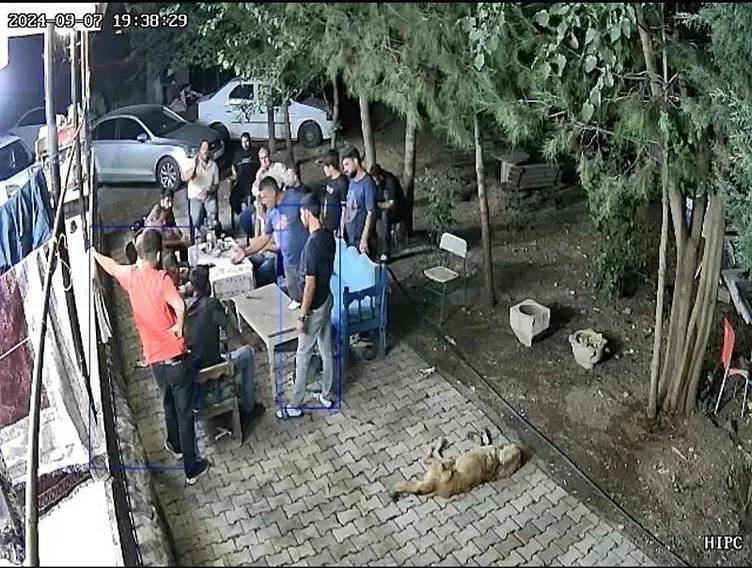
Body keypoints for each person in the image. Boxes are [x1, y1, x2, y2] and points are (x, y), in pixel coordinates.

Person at [92, 229, 210, 484]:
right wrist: (179, 325)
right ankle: (191, 467)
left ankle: (173, 444)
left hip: (155, 359)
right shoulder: (162, 280)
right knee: (184, 413)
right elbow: (180, 305)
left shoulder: (130, 276)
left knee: (166, 401)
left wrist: (93, 253)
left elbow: (111, 266)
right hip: (176, 359)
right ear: (157, 254)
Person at [277, 193, 336, 419]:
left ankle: (294, 403)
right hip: (327, 298)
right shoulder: (328, 237)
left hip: (315, 305)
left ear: (305, 213)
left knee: (303, 355)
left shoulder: (312, 245)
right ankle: (327, 394)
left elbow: (310, 286)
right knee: (325, 349)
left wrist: (303, 316)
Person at [185, 267, 265, 425]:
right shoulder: (212, 304)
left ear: (192, 286)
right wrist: (250, 342)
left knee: (221, 346)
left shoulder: (186, 309)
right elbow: (233, 334)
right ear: (208, 285)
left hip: (194, 371)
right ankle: (249, 408)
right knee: (247, 353)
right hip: (213, 369)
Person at [232, 177, 307, 302]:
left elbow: (313, 211)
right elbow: (265, 237)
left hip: (304, 260)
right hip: (289, 264)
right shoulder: (272, 212)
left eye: (264, 197)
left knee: (310, 298)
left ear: (272, 193)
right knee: (296, 299)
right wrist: (245, 252)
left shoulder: (295, 198)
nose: (262, 201)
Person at [341, 147, 377, 256]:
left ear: (356, 161)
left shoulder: (367, 183)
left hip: (361, 241)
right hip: (349, 238)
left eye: (347, 164)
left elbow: (371, 213)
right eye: (343, 166)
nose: (345, 169)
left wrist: (364, 238)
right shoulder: (351, 181)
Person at [183, 140, 220, 236]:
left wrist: (208, 191)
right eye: (203, 149)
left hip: (208, 195)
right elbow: (186, 178)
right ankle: (203, 231)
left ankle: (210, 234)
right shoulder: (192, 162)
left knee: (212, 216)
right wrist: (195, 166)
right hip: (195, 196)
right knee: (196, 219)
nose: (205, 151)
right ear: (199, 150)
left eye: (207, 149)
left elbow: (216, 185)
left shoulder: (214, 166)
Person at [370, 163, 406, 260]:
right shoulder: (374, 183)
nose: (375, 182)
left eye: (376, 179)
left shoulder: (390, 181)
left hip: (396, 210)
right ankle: (373, 248)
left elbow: (391, 203)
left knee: (385, 216)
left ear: (380, 176)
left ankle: (386, 252)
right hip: (381, 208)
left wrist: (377, 206)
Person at [146, 188, 189, 262]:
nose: (170, 204)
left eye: (171, 201)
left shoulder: (168, 210)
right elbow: (159, 241)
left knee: (184, 244)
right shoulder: (157, 214)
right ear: (161, 201)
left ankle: (184, 265)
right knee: (182, 245)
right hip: (156, 246)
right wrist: (179, 242)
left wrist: (181, 235)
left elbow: (173, 225)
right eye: (168, 201)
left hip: (167, 240)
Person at [230, 133, 259, 228]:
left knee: (253, 200)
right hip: (241, 183)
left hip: (253, 182)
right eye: (243, 142)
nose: (245, 144)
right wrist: (234, 173)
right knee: (233, 199)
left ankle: (254, 220)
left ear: (250, 141)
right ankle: (241, 216)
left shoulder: (255, 152)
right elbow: (233, 166)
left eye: (247, 141)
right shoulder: (237, 154)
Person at [318, 150, 348, 236]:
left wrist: (341, 228)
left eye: (325, 167)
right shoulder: (328, 180)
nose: (324, 170)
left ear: (330, 167)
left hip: (337, 226)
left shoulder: (342, 182)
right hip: (327, 223)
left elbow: (344, 208)